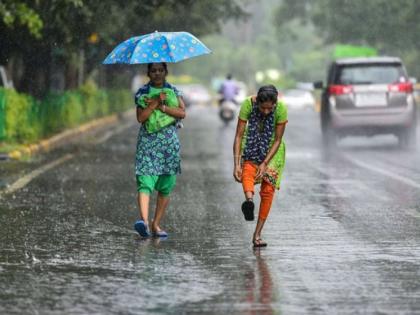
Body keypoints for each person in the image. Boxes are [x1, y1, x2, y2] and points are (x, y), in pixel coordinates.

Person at [133, 62, 186, 238]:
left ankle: (156, 224)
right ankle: (145, 223)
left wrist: (163, 106)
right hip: (148, 143)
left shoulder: (173, 91)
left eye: (160, 70)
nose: (157, 73)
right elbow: (141, 118)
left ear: (165, 72)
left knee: (165, 185)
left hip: (168, 144)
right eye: (153, 71)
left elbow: (182, 113)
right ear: (148, 73)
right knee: (145, 180)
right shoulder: (142, 93)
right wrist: (153, 103)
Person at [232, 85, 288, 247]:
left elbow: (277, 140)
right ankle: (249, 201)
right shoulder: (247, 105)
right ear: (257, 103)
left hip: (273, 150)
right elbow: (239, 136)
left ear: (275, 104)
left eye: (269, 108)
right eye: (262, 108)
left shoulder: (281, 109)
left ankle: (257, 235)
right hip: (251, 144)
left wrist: (264, 163)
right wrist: (236, 164)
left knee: (268, 190)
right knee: (247, 171)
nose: (265, 112)